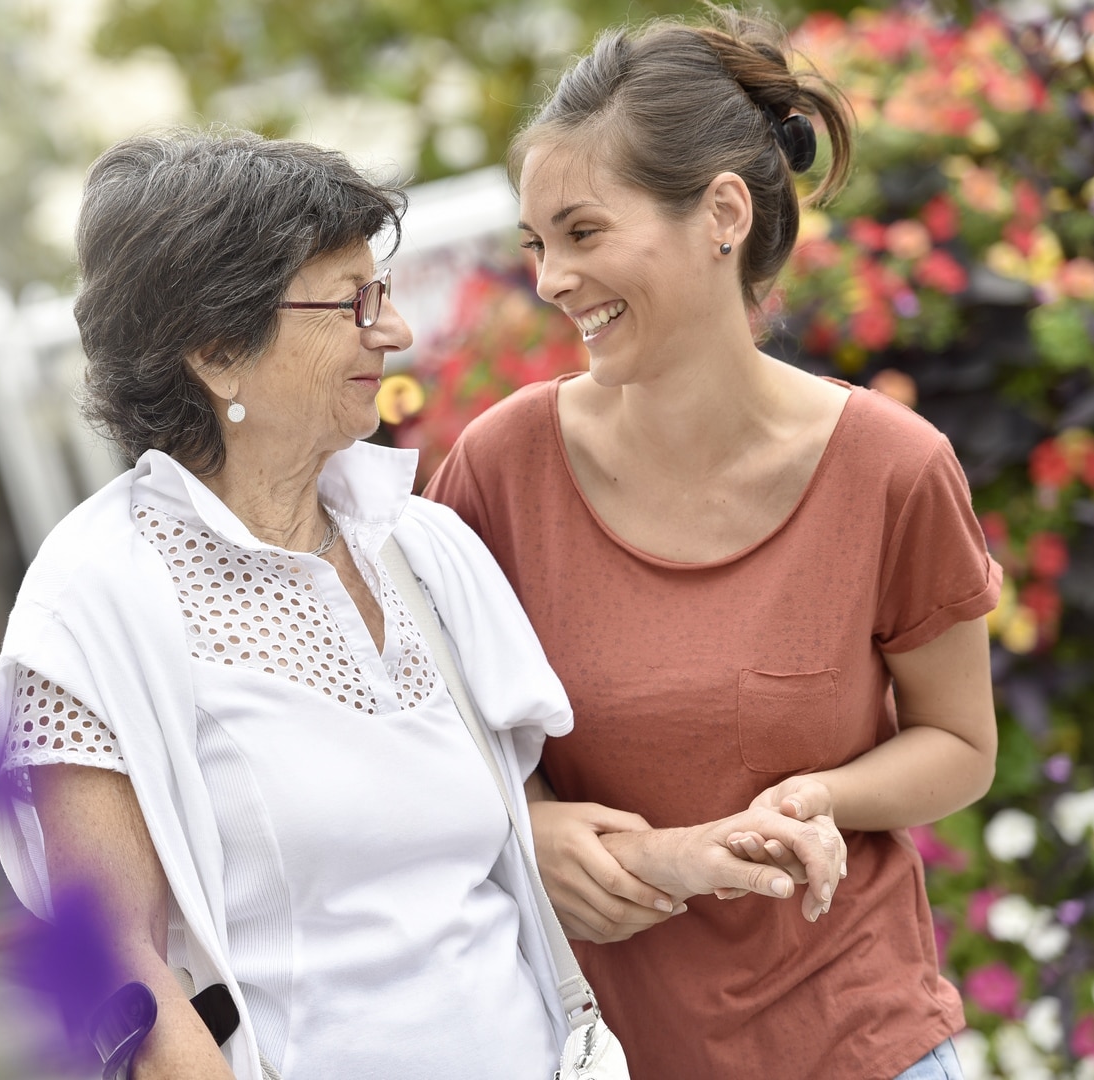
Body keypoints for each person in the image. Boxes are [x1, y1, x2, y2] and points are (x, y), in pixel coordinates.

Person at [0, 128, 845, 1080]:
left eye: (382, 293)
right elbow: (117, 967)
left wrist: (689, 858)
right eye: (351, 303)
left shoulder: (419, 548)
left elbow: (520, 847)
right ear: (218, 349)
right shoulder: (92, 606)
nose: (392, 332)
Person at [424, 9, 1001, 1080]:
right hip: (611, 1054)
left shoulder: (894, 469)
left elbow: (961, 747)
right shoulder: (499, 473)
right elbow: (433, 734)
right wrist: (532, 827)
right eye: (537, 246)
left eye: (584, 233)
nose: (551, 279)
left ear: (723, 212)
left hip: (865, 1042)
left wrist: (823, 796)